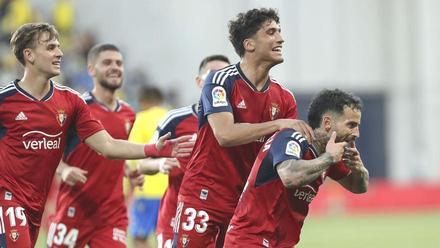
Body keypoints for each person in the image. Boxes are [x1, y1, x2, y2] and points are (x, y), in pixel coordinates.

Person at [0, 23, 193, 247]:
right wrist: (65, 170)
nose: (60, 53)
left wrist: (153, 149)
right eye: (51, 47)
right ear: (29, 55)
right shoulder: (5, 101)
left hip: (44, 206)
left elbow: (108, 146)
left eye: (59, 47)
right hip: (13, 200)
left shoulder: (71, 102)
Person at [173, 8, 314, 247]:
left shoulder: (285, 98)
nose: (280, 38)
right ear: (249, 44)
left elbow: (283, 155)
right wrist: (278, 123)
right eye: (271, 32)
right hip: (204, 194)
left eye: (279, 32)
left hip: (246, 204)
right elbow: (225, 135)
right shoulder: (220, 81)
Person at [224, 89, 369, 247]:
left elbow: (358, 187)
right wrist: (328, 158)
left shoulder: (329, 154)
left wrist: (358, 168)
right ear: (327, 123)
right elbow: (290, 176)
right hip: (250, 240)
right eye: (351, 125)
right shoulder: (290, 138)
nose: (357, 133)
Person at [45, 43, 140, 247]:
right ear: (91, 69)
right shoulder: (75, 108)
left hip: (111, 213)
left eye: (119, 63)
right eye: (107, 62)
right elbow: (47, 153)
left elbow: (115, 153)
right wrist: (64, 170)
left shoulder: (129, 113)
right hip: (74, 207)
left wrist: (128, 170)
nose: (115, 67)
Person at [136, 55, 229, 248]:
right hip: (177, 217)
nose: (220, 82)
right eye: (214, 75)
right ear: (199, 81)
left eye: (226, 76)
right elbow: (143, 164)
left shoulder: (239, 124)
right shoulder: (175, 119)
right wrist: (160, 163)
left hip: (224, 218)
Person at [127, 86, 169, 248]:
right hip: (170, 190)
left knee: (139, 236)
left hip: (147, 188)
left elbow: (132, 154)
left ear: (143, 102)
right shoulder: (172, 116)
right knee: (166, 236)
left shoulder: (141, 118)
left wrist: (128, 186)